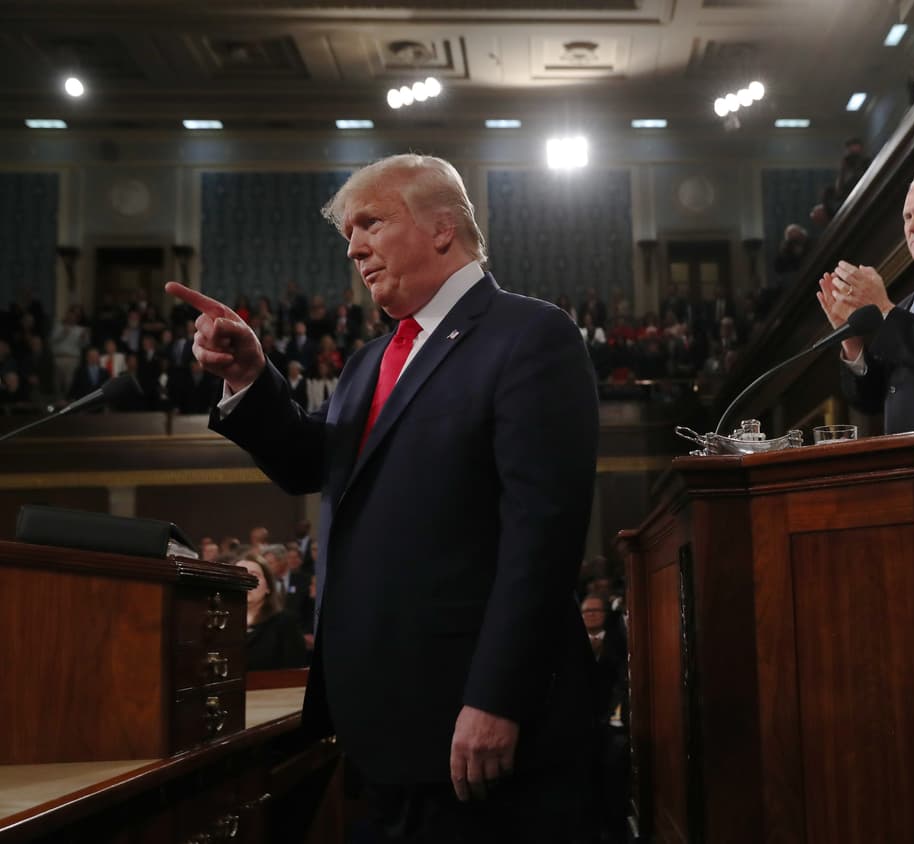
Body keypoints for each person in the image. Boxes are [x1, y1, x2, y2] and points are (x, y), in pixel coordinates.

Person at [165, 152, 600, 841]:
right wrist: (253, 378)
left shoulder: (530, 336)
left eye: (370, 223)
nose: (355, 247)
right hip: (383, 727)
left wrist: (497, 698)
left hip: (479, 723)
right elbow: (317, 463)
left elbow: (541, 541)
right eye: (348, 236)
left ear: (441, 228)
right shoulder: (371, 359)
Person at [816, 171, 914, 434]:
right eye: (907, 216)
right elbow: (869, 401)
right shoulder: (907, 305)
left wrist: (883, 309)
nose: (911, 226)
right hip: (906, 458)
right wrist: (850, 339)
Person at [235, 553, 309, 672]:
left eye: (254, 575)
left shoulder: (285, 622)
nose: (245, 580)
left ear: (268, 587)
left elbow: (294, 674)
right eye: (239, 575)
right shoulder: (220, 623)